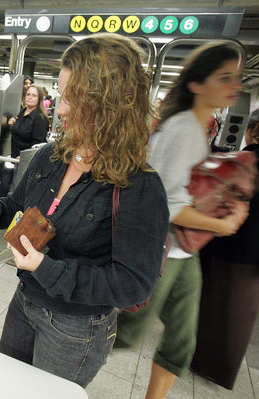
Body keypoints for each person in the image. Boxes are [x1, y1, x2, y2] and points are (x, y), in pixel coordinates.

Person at [0, 33, 169, 388]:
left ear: (108, 104)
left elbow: (133, 285)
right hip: (24, 303)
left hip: (76, 328)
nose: (61, 110)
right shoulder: (54, 155)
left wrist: (48, 269)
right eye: (62, 96)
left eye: (73, 98)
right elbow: (17, 207)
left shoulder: (138, 186)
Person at [115, 42, 249, 399]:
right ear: (196, 84)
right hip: (163, 253)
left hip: (183, 253)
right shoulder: (183, 129)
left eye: (236, 78)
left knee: (181, 338)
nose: (233, 85)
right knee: (126, 333)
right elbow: (168, 207)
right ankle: (63, 359)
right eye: (224, 77)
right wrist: (222, 225)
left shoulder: (196, 127)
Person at [190, 108, 259, 389]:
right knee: (241, 311)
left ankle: (205, 362)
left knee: (215, 304)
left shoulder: (247, 158)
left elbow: (211, 190)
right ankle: (224, 369)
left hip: (230, 242)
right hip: (252, 255)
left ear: (253, 131)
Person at [7, 84, 49, 158]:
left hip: (26, 160)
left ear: (39, 99)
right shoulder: (22, 112)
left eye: (34, 95)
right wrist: (11, 125)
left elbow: (38, 145)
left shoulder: (40, 118)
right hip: (14, 157)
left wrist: (23, 156)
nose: (30, 97)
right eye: (28, 94)